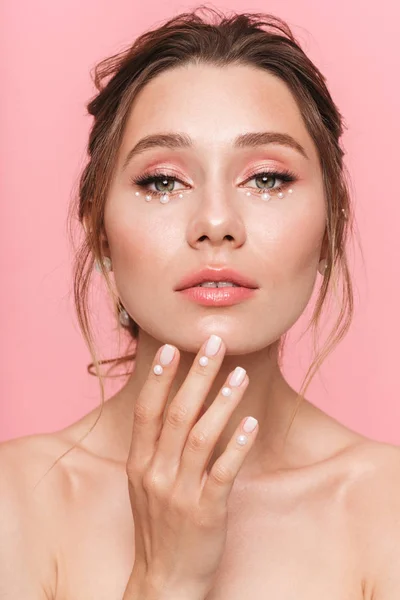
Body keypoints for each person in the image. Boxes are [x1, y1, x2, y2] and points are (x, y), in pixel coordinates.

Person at [1, 6, 400, 599]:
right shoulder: (15, 500)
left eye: (267, 178)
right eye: (163, 181)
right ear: (100, 231)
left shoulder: (385, 506)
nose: (216, 223)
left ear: (331, 224)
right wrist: (164, 581)